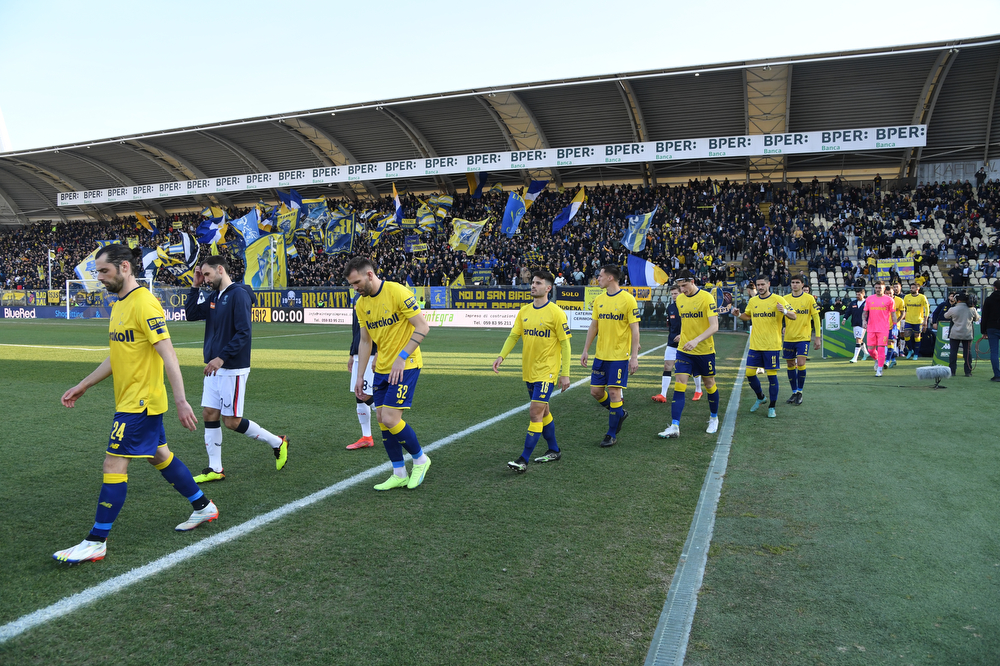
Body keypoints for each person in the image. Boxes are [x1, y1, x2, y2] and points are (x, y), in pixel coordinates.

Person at [54, 245, 216, 564]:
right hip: (130, 399)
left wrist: (181, 400)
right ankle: (203, 506)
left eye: (104, 271)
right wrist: (84, 385)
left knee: (113, 463)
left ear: (125, 267)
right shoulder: (119, 305)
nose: (99, 277)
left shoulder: (144, 303)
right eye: (97, 272)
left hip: (140, 402)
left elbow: (168, 353)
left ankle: (96, 541)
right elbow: (118, 354)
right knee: (159, 455)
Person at [185, 256, 288, 482]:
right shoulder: (215, 296)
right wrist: (195, 285)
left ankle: (278, 442)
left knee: (231, 421)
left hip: (231, 367)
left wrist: (221, 358)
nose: (206, 279)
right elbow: (191, 314)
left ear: (221, 269)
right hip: (214, 366)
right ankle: (215, 469)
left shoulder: (238, 294)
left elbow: (244, 332)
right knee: (209, 414)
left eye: (208, 274)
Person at [345, 256, 432, 490]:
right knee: (383, 422)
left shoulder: (397, 291)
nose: (355, 288)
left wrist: (402, 358)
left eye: (357, 282)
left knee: (392, 419)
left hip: (406, 365)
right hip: (381, 367)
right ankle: (399, 472)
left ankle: (421, 460)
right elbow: (365, 342)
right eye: (352, 285)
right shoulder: (361, 305)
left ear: (370, 274)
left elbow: (423, 326)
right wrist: (360, 375)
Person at [493, 270, 571, 471]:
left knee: (534, 412)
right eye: (532, 282)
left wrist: (565, 373)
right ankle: (554, 449)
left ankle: (523, 460)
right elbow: (513, 336)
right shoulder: (524, 311)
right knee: (544, 411)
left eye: (537, 283)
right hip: (529, 371)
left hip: (548, 371)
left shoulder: (556, 313)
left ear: (548, 288)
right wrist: (501, 356)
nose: (532, 285)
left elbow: (566, 345)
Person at [581, 264, 640, 447]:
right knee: (596, 392)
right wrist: (585, 349)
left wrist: (634, 356)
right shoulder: (599, 300)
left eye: (600, 276)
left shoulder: (628, 300)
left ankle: (611, 434)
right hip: (601, 355)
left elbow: (635, 329)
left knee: (614, 392)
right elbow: (594, 326)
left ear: (610, 278)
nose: (597, 279)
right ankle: (619, 413)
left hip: (619, 356)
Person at [658, 270, 721, 438]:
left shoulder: (707, 298)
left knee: (709, 384)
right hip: (684, 350)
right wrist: (683, 336)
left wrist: (696, 340)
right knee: (679, 384)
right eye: (680, 286)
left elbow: (714, 326)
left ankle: (714, 418)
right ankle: (674, 426)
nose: (682, 289)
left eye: (684, 286)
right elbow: (686, 322)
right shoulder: (679, 299)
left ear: (692, 281)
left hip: (704, 350)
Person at [732, 275, 796, 418]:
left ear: (768, 284)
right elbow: (747, 316)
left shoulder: (779, 299)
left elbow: (794, 316)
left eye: (762, 284)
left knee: (772, 377)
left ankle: (772, 407)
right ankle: (761, 397)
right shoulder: (753, 301)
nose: (760, 287)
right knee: (749, 374)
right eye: (758, 285)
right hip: (755, 345)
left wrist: (784, 311)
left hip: (772, 345)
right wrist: (738, 314)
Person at [345, 291, 378, 449]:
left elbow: (382, 327)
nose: (354, 285)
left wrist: (379, 352)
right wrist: (352, 353)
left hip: (372, 352)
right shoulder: (357, 297)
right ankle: (366, 436)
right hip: (359, 351)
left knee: (366, 394)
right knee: (359, 396)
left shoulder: (377, 295)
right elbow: (356, 329)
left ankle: (393, 425)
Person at [782, 275, 821, 405]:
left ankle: (800, 391)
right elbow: (780, 316)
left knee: (801, 362)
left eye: (797, 282)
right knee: (790, 364)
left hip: (804, 337)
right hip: (789, 337)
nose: (794, 285)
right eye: (792, 282)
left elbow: (816, 318)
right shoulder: (785, 299)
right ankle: (794, 392)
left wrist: (817, 337)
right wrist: (782, 327)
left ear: (802, 284)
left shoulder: (809, 299)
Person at [862, 281, 895, 377]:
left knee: (881, 348)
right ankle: (877, 361)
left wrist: (895, 326)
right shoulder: (869, 299)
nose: (878, 289)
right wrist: (864, 321)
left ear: (884, 289)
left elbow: (893, 314)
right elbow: (865, 312)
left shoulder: (889, 300)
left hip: (883, 329)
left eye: (880, 288)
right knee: (871, 350)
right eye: (876, 287)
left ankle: (880, 369)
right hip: (871, 328)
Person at [945, 293, 979, 376]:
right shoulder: (972, 309)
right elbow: (977, 318)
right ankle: (968, 371)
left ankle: (952, 371)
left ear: (957, 300)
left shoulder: (953, 309)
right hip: (967, 333)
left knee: (953, 352)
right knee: (967, 353)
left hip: (955, 334)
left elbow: (946, 316)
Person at [901, 282, 931, 360]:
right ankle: (910, 350)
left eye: (913, 288)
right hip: (908, 320)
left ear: (918, 289)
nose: (911, 289)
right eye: (911, 288)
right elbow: (904, 308)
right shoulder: (906, 297)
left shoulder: (922, 297)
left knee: (917, 337)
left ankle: (916, 354)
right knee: (906, 335)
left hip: (918, 320)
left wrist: (925, 320)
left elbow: (927, 308)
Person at [978, 279, 1000, 381]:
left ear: (994, 287)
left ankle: (997, 375)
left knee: (994, 352)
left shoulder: (989, 299)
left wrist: (983, 331)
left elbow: (985, 316)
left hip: (992, 327)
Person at [843, 288, 868, 363]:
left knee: (858, 339)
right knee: (860, 340)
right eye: (856, 294)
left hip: (863, 324)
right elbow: (848, 312)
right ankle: (866, 353)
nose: (857, 296)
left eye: (859, 294)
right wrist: (844, 319)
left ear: (863, 294)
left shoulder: (867, 303)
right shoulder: (853, 303)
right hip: (855, 323)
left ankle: (855, 358)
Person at [885, 281, 906, 367]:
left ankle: (887, 361)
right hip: (884, 326)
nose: (889, 295)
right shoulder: (882, 301)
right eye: (887, 293)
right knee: (887, 343)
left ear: (893, 292)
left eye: (890, 293)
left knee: (890, 342)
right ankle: (893, 359)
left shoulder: (899, 301)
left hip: (894, 326)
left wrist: (896, 322)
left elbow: (903, 313)